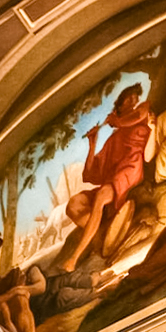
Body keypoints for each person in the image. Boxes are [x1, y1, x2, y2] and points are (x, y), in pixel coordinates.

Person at [60, 84, 154, 272]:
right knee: (73, 205)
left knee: (102, 195)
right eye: (129, 98)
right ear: (119, 105)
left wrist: (117, 121)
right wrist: (92, 145)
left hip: (130, 171)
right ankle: (103, 230)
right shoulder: (114, 138)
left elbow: (136, 117)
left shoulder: (143, 111)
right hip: (112, 181)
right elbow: (91, 173)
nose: (134, 101)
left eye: (136, 97)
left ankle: (74, 257)